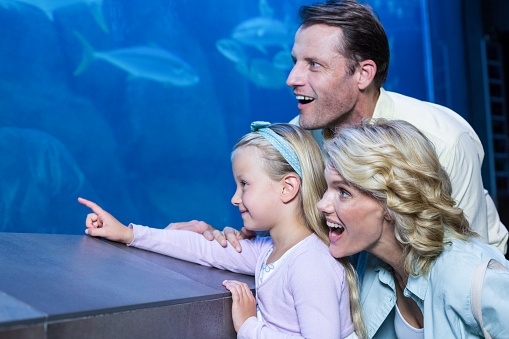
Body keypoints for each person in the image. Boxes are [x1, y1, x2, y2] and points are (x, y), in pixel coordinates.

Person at [169, 0, 508, 254]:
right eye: (295, 62)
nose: (291, 79)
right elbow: (275, 234)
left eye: (313, 65)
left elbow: (467, 265)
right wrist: (214, 243)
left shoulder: (443, 140)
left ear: (363, 74)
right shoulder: (296, 141)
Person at [79, 122, 364, 338]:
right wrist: (130, 234)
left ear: (287, 188)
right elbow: (204, 249)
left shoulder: (310, 263)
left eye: (244, 184)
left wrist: (249, 325)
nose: (235, 198)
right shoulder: (270, 252)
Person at [318, 119, 509, 338]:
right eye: (327, 188)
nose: (321, 205)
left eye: (343, 191)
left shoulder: (466, 276)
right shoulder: (368, 265)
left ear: (392, 203)